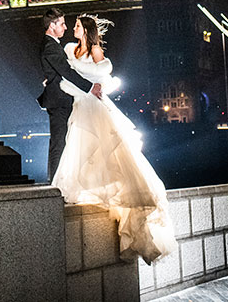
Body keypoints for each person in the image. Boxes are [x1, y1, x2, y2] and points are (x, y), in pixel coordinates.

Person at [52, 14, 177, 263]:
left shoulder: (96, 51)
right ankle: (88, 194)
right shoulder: (69, 49)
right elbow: (68, 77)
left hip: (95, 107)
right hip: (80, 107)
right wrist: (82, 80)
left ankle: (111, 197)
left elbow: (104, 77)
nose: (73, 29)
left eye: (76, 26)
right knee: (79, 149)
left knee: (106, 151)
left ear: (86, 30)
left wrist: (83, 77)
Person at [38, 8, 101, 182]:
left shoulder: (52, 44)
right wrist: (90, 87)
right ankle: (55, 184)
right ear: (52, 26)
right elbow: (66, 71)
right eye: (62, 24)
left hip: (62, 99)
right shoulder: (50, 45)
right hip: (58, 101)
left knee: (64, 141)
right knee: (59, 142)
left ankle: (60, 181)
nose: (66, 28)